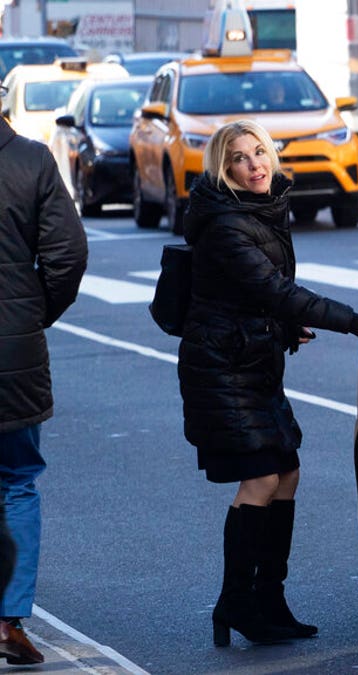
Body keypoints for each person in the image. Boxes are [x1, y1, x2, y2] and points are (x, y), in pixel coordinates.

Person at [177, 120, 358, 647]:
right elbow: (275, 289)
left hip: (251, 358)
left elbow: (258, 293)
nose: (254, 165)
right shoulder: (228, 224)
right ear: (223, 170)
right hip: (222, 368)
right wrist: (353, 321)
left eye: (259, 153)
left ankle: (268, 599)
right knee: (261, 479)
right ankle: (236, 601)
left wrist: (284, 324)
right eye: (239, 160)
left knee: (288, 472)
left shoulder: (263, 206)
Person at [0, 83, 88, 665]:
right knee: (16, 482)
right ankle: (8, 621)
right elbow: (68, 254)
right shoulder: (32, 159)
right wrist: (34, 313)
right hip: (14, 353)